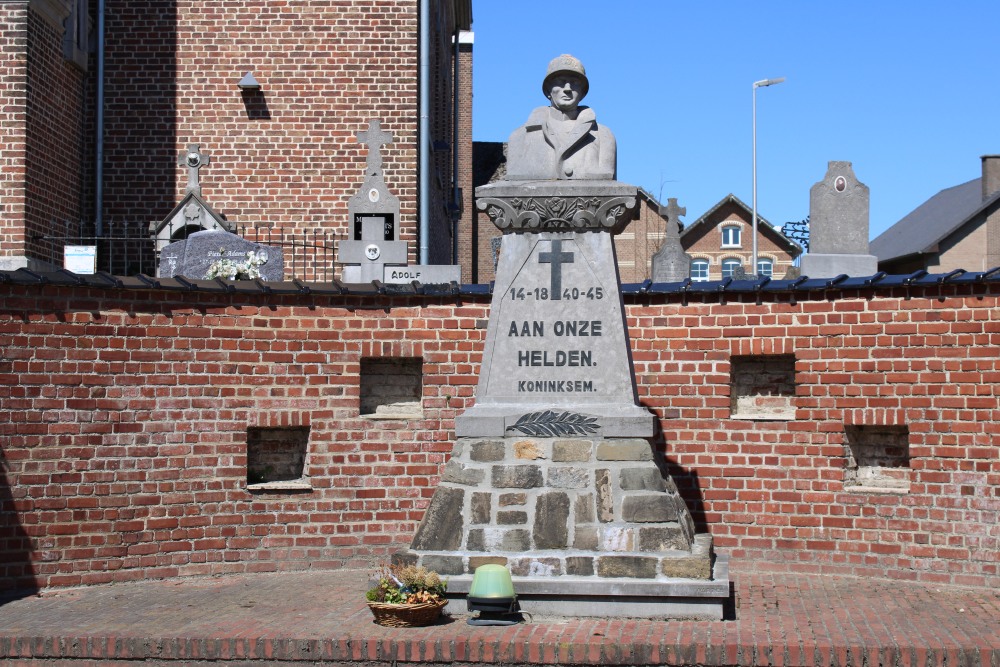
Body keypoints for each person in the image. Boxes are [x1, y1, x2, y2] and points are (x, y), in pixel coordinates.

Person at [506, 54, 616, 181]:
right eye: (560, 82)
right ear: (548, 91)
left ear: (582, 93)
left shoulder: (603, 136)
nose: (567, 89)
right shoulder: (519, 137)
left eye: (574, 83)